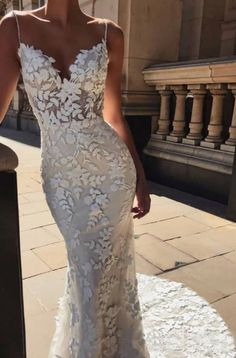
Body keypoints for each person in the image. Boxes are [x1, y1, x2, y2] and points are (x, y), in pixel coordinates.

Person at [0, 1, 151, 356]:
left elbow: (114, 115)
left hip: (113, 174)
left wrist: (141, 178)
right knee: (87, 267)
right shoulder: (14, 27)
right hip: (64, 178)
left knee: (98, 273)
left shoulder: (110, 33)